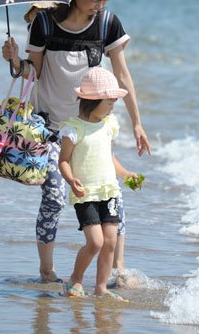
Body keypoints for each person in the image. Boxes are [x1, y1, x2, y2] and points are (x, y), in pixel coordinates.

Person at [1, 0, 151, 283]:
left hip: (93, 128)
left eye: (104, 0)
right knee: (54, 197)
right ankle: (47, 270)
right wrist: (15, 60)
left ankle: (119, 269)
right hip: (54, 127)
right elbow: (33, 72)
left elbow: (123, 76)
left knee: (111, 196)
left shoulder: (107, 23)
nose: (100, 6)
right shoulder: (43, 23)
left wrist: (137, 122)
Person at [58, 67, 138, 300]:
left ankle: (101, 287)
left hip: (109, 191)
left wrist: (125, 174)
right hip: (85, 193)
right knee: (95, 242)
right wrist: (71, 179)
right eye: (109, 103)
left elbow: (109, 157)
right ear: (92, 101)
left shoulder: (109, 124)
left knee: (110, 242)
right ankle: (76, 279)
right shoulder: (73, 129)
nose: (112, 108)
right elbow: (63, 160)